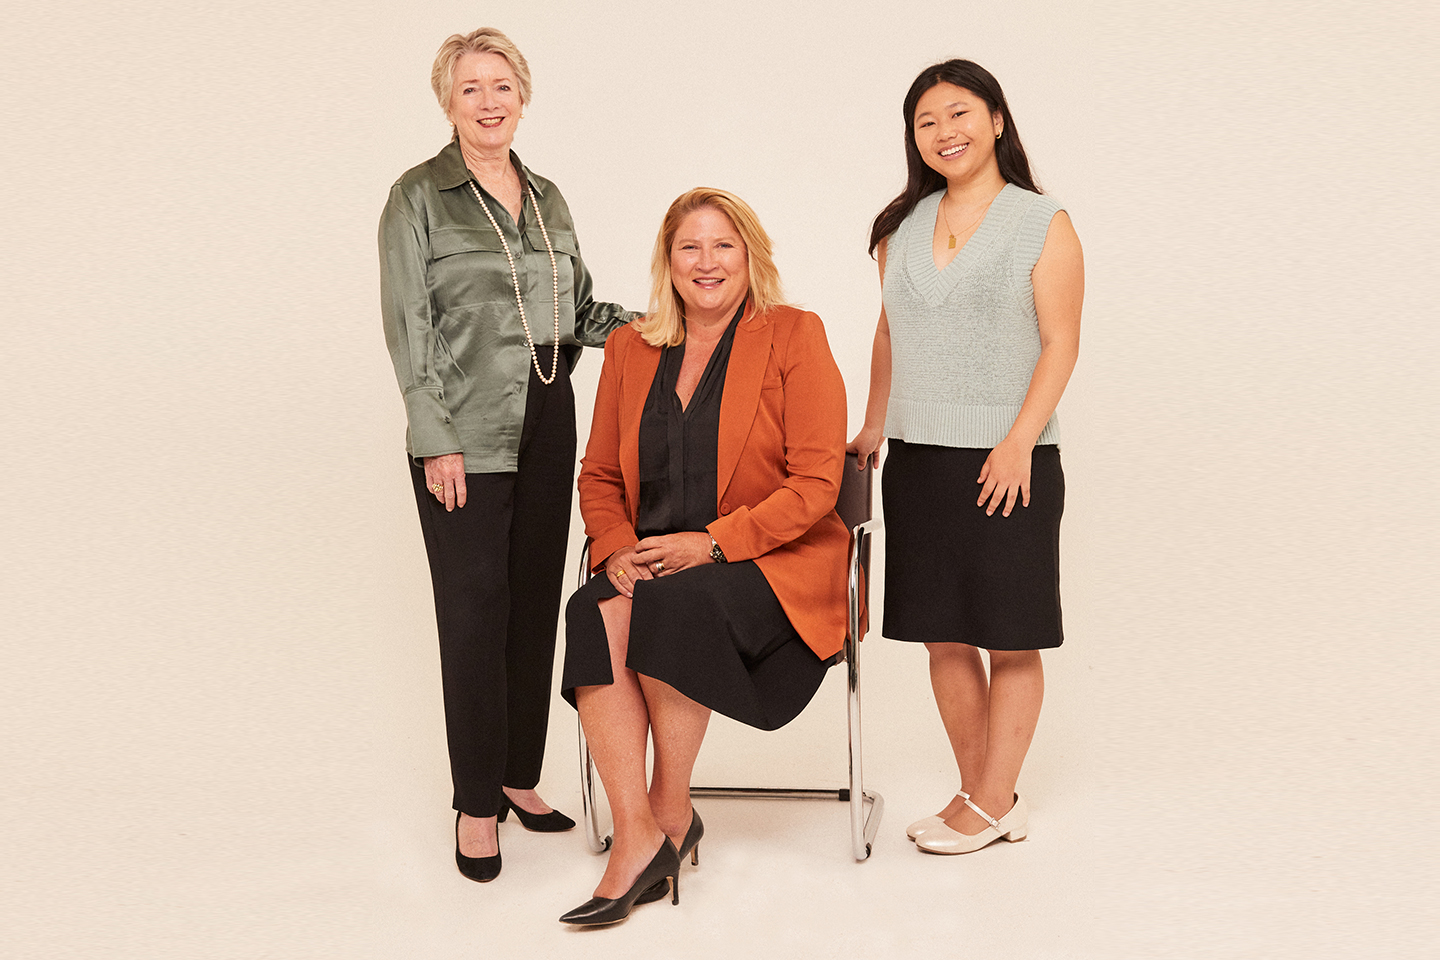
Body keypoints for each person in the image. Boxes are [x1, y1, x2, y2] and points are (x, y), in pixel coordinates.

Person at [378, 27, 636, 883]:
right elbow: (409, 326)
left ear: (522, 96)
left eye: (501, 87)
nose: (488, 103)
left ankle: (518, 775)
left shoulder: (548, 196)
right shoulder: (417, 197)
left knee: (532, 607)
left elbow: (580, 311)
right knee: (474, 613)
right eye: (470, 89)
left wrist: (661, 325)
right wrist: (435, 438)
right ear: (447, 103)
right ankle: (474, 803)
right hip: (464, 432)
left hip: (549, 414)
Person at [557, 188, 849, 924]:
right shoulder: (630, 347)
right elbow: (599, 475)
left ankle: (671, 809)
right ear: (669, 260)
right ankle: (637, 836)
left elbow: (817, 483)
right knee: (591, 611)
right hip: (656, 560)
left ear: (750, 255)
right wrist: (615, 550)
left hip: (767, 564)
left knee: (673, 605)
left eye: (723, 245)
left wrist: (713, 544)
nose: (707, 261)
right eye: (690, 246)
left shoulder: (794, 334)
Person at [848, 59, 1084, 855]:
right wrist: (874, 425)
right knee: (943, 635)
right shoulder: (900, 228)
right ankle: (981, 794)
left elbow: (1060, 342)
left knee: (1010, 636)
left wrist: (1019, 440)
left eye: (960, 114)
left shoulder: (1042, 221)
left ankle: (992, 801)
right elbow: (891, 331)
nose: (944, 132)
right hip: (919, 460)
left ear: (996, 121)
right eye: (927, 121)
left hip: (1009, 459)